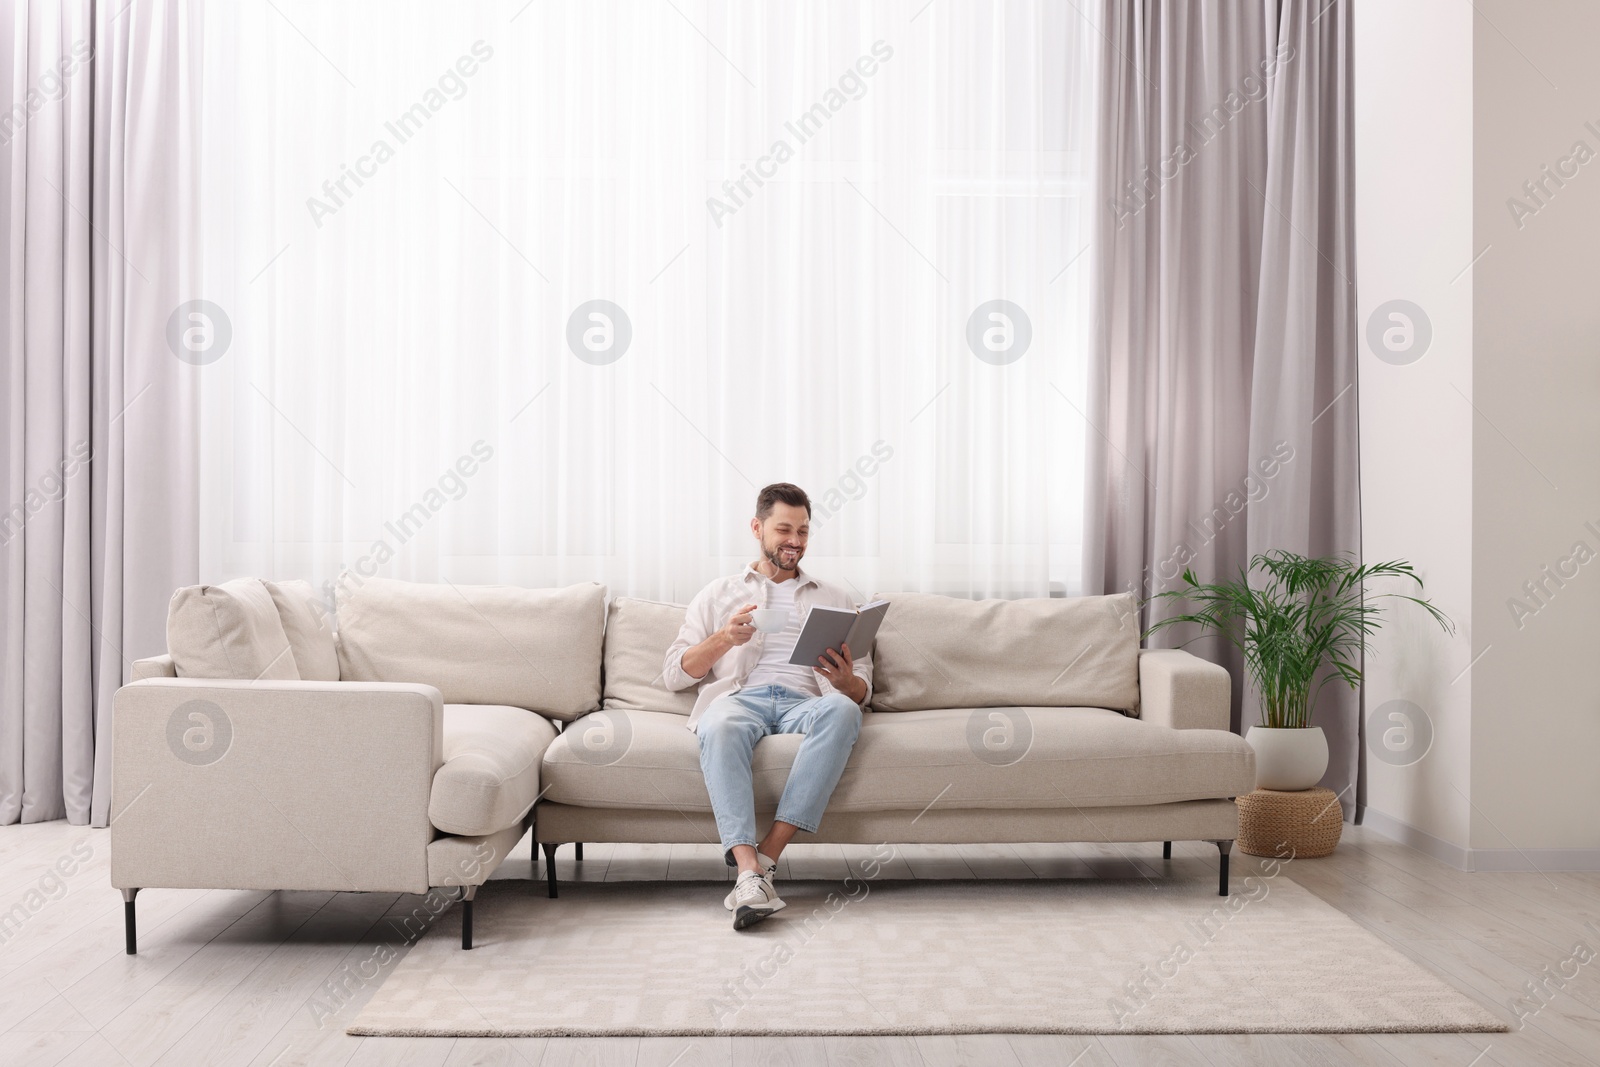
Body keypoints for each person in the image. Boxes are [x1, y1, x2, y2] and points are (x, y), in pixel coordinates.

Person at [662, 482, 870, 929]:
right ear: (757, 528)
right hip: (741, 699)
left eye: (803, 531)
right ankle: (747, 872)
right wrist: (723, 639)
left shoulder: (834, 598)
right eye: (783, 530)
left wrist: (847, 681)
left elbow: (861, 690)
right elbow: (674, 673)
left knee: (844, 711)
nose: (795, 541)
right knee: (719, 726)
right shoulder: (719, 593)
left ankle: (766, 858)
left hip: (805, 702)